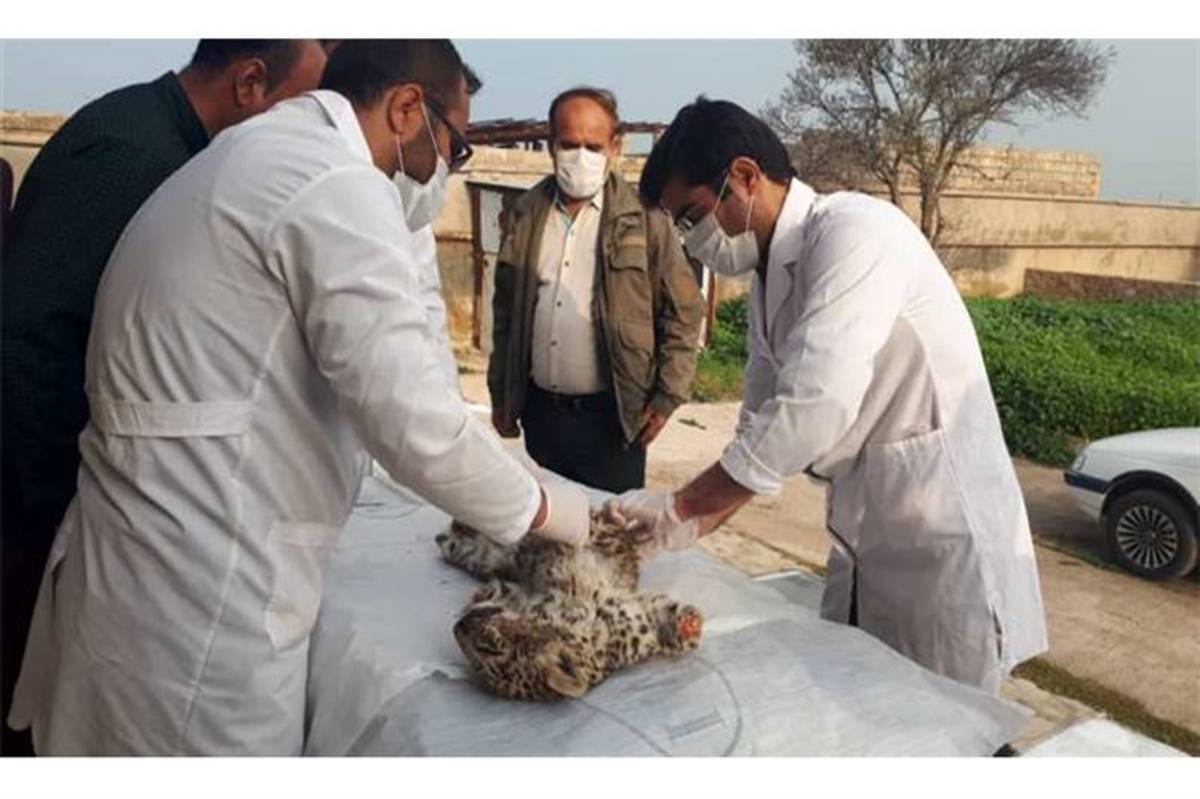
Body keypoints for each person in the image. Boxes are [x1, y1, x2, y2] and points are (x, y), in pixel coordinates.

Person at [7, 39, 589, 756]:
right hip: (201, 591)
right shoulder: (334, 183)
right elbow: (413, 421)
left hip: (149, 560)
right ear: (407, 108)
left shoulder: (258, 151)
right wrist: (557, 513)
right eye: (453, 147)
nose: (446, 170)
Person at [608, 98, 1048, 694]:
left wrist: (681, 508)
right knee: (867, 701)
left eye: (693, 216)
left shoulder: (856, 231)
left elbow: (815, 405)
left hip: (943, 533)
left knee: (947, 720)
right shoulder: (768, 276)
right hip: (871, 529)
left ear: (744, 176)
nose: (693, 240)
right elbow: (760, 427)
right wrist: (679, 526)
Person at [0, 38, 330, 757]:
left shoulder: (174, 149)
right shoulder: (132, 154)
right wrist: (65, 496)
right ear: (250, 82)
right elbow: (28, 340)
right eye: (300, 108)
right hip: (27, 500)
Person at [488, 87, 703, 492]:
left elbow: (684, 310)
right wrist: (502, 394)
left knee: (608, 527)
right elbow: (506, 313)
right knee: (545, 523)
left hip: (614, 420)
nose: (580, 157)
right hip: (541, 416)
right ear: (551, 146)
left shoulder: (645, 218)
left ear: (615, 147)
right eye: (569, 145)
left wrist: (667, 396)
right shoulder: (525, 214)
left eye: (593, 146)